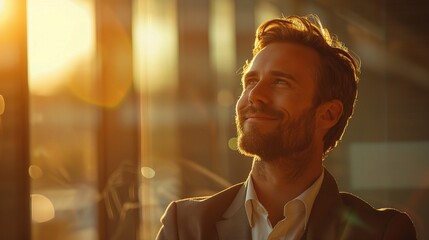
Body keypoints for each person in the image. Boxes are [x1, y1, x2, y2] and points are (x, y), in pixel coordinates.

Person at [156, 15, 417, 240]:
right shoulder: (185, 226)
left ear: (328, 114)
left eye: (280, 82)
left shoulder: (381, 233)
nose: (255, 96)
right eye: (251, 81)